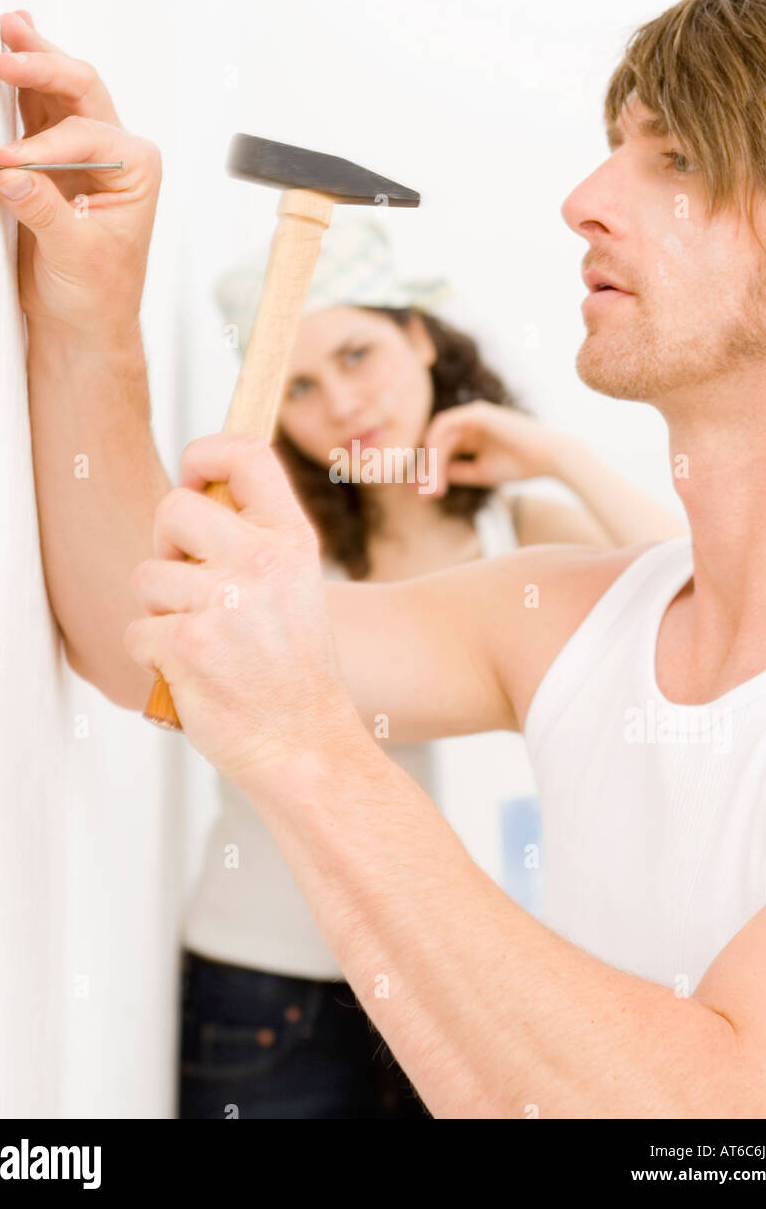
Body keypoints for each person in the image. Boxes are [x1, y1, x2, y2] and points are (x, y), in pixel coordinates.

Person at [0, 0, 766, 1119]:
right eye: (615, 143)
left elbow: (717, 1127)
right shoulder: (572, 618)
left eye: (674, 159)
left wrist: (309, 743)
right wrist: (91, 319)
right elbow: (154, 647)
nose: (582, 195)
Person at [175, 217, 682, 1118]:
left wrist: (561, 457)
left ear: (418, 334)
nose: (340, 402)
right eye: (298, 385)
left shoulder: (519, 539)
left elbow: (705, 595)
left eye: (359, 354)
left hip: (456, 981)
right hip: (268, 985)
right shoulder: (271, 549)